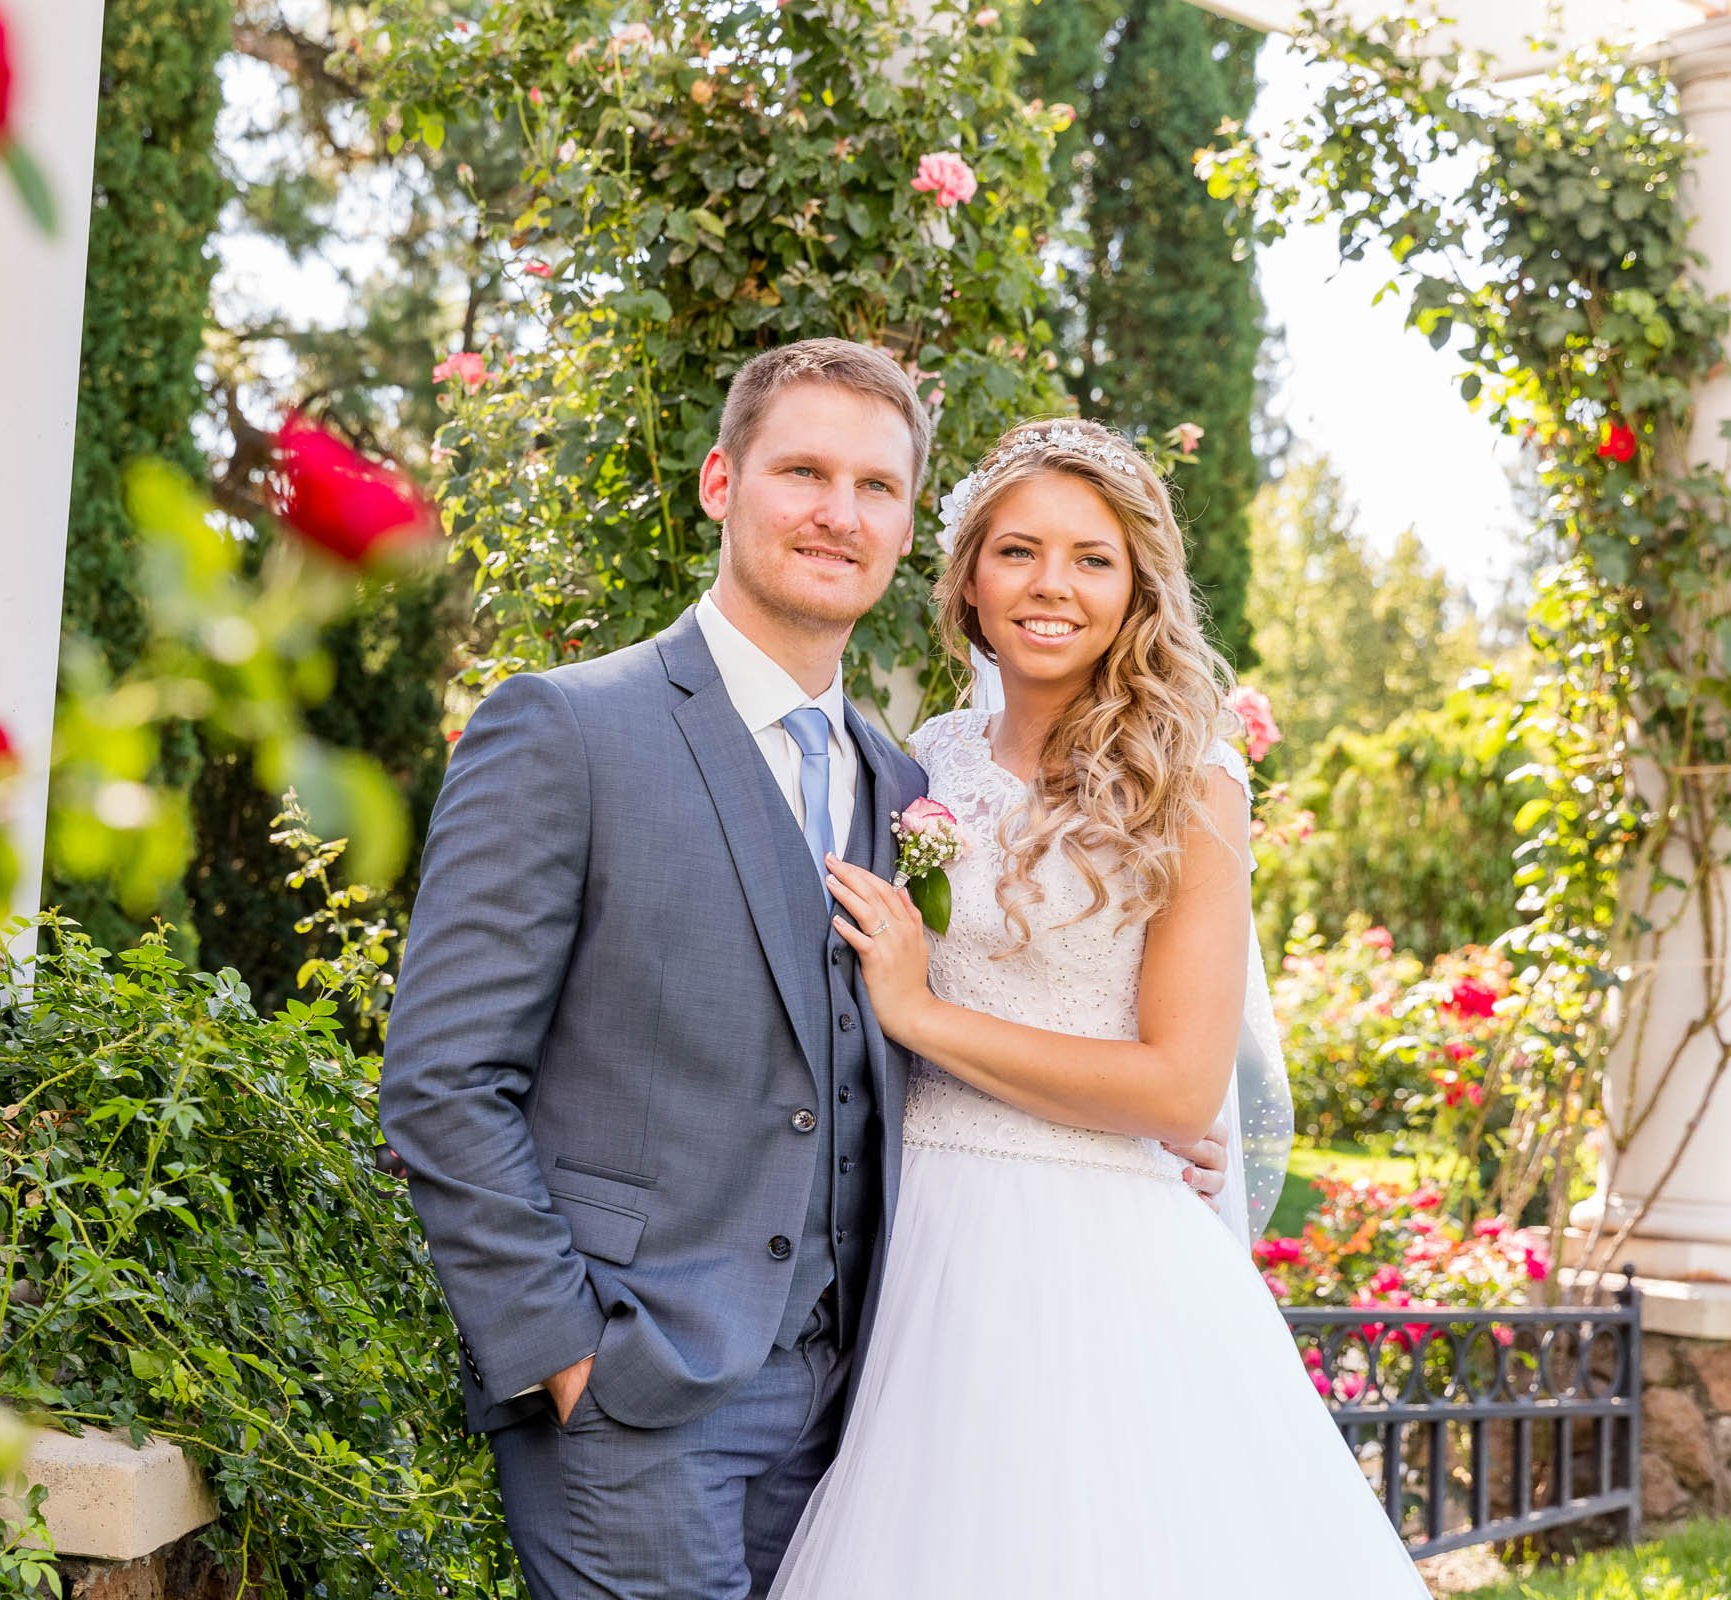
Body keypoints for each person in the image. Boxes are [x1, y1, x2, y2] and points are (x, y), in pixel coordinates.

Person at [378, 343, 1229, 1599]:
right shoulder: (566, 728)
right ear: (723, 480)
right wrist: (566, 1355)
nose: (840, 511)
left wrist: (1133, 1113)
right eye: (804, 471)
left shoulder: (905, 781)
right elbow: (444, 1079)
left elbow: (913, 1030)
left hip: (864, 1401)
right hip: (635, 1393)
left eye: (876, 486)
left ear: (902, 534)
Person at [765, 418, 1427, 1597]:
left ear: (1136, 591)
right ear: (967, 577)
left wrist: (926, 1017)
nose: (1051, 586)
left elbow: (1179, 1084)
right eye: (1017, 551)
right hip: (918, 1238)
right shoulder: (919, 763)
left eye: (1091, 558)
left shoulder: (1193, 779)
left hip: (1093, 1252)